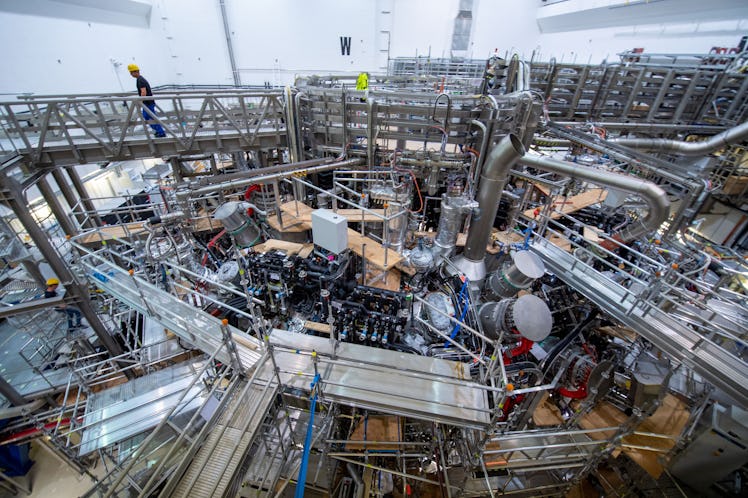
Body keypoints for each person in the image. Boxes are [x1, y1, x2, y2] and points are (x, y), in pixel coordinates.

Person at [127, 63, 166, 138]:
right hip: (148, 102)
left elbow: (143, 92)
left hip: (148, 103)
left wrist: (140, 101)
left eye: (131, 73)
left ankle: (161, 133)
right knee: (148, 117)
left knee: (150, 117)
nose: (131, 74)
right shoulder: (140, 79)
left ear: (135, 72)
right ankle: (158, 132)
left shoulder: (140, 80)